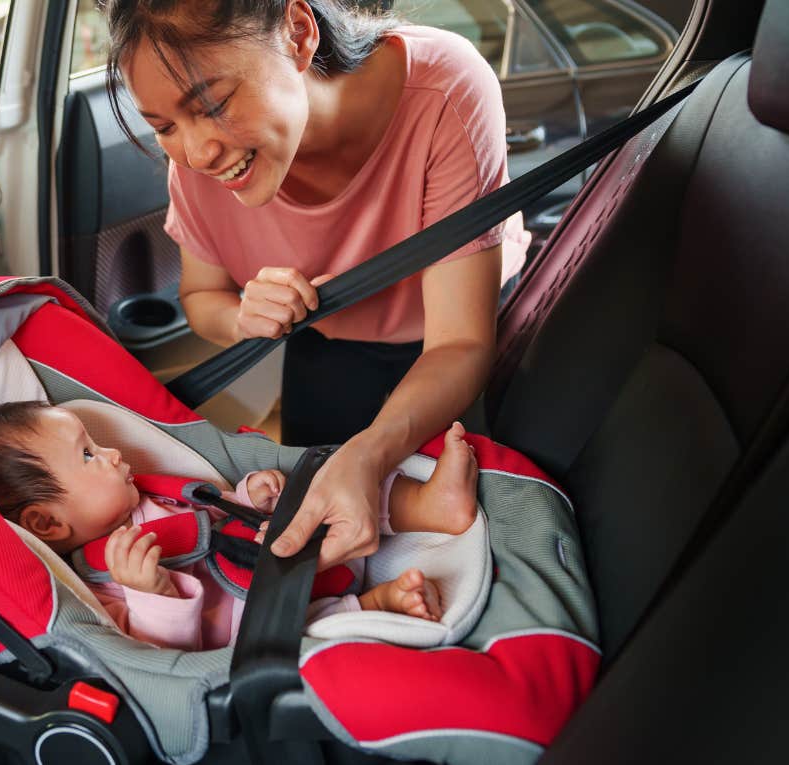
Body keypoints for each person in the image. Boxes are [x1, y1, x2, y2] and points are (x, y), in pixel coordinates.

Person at [101, 0, 527, 570]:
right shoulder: (197, 170)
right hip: (324, 347)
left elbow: (459, 344)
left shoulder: (444, 91)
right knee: (313, 529)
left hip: (454, 343)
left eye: (213, 104)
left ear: (298, 33)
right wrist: (242, 317)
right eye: (164, 127)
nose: (198, 152)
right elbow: (202, 300)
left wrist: (369, 454)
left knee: (452, 537)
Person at [0, 400, 479, 651]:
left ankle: (432, 507)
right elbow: (154, 655)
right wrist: (152, 594)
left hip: (292, 545)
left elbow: (212, 516)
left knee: (320, 486)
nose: (109, 452)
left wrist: (245, 496)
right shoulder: (99, 581)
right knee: (322, 633)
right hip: (269, 621)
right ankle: (379, 604)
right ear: (45, 522)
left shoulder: (147, 494)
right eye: (86, 456)